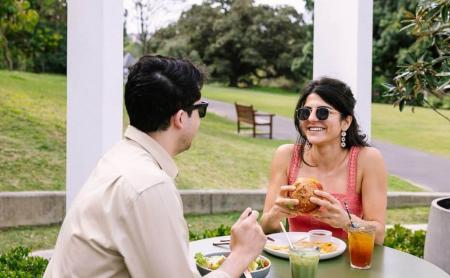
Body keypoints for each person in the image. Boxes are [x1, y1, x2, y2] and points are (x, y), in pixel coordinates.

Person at [44, 55, 267, 277]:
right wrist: (241, 254)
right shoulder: (148, 185)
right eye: (201, 109)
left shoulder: (120, 158)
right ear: (180, 118)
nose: (200, 118)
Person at [260, 77, 387, 244]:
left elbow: (378, 236)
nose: (311, 118)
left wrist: (346, 222)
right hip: (299, 260)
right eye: (305, 112)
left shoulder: (368, 159)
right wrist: (275, 215)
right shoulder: (286, 156)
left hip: (347, 265)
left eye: (323, 112)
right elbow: (266, 228)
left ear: (346, 122)